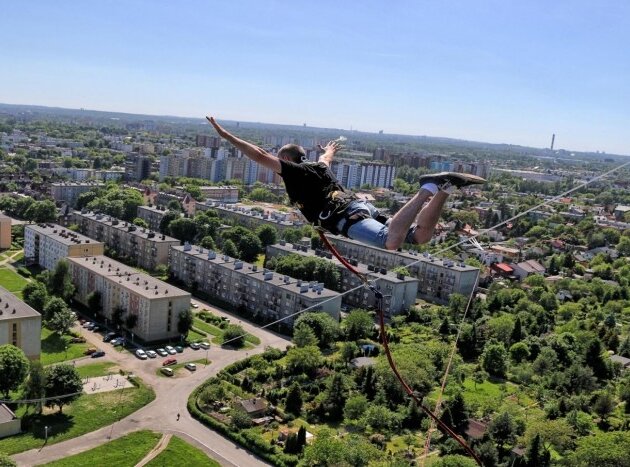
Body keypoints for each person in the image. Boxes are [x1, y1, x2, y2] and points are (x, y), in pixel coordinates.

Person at [206, 117, 484, 250]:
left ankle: (429, 187)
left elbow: (258, 155)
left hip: (344, 216)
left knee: (390, 242)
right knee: (419, 237)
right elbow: (327, 156)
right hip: (357, 206)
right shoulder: (320, 167)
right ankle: (444, 189)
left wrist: (225, 134)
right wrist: (329, 149)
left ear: (288, 159)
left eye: (282, 160)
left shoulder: (295, 171)